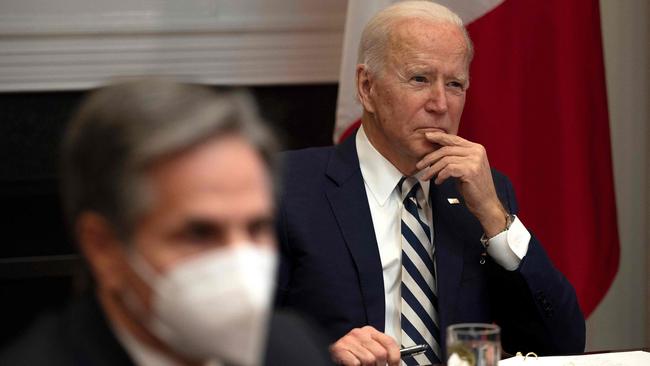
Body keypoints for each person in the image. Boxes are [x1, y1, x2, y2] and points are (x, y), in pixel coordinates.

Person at [275, 1, 585, 365]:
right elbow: (230, 344)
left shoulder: (482, 193)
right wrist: (319, 359)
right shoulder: (286, 187)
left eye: (455, 84)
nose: (440, 104)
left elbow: (562, 344)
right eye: (420, 79)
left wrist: (495, 217)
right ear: (366, 86)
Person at [0, 78, 330, 366]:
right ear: (103, 247)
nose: (238, 258)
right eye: (199, 233)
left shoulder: (293, 348)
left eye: (257, 228)